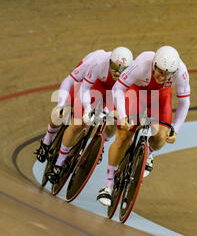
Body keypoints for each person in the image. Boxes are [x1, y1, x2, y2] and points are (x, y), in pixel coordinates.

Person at [97, 45, 191, 206]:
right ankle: (108, 185)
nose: (163, 77)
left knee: (161, 137)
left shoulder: (181, 72)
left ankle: (150, 153)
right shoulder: (142, 64)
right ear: (154, 65)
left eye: (168, 74)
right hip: (136, 92)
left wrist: (175, 129)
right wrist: (124, 115)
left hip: (161, 97)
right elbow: (118, 88)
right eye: (160, 72)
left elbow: (184, 102)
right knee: (123, 136)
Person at [36, 47, 133, 182]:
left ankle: (101, 144)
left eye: (122, 70)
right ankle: (50, 146)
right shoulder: (97, 63)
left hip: (111, 90)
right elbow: (77, 84)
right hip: (90, 82)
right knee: (71, 117)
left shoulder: (131, 74)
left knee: (113, 119)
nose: (118, 72)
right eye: (115, 68)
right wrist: (65, 105)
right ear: (109, 63)